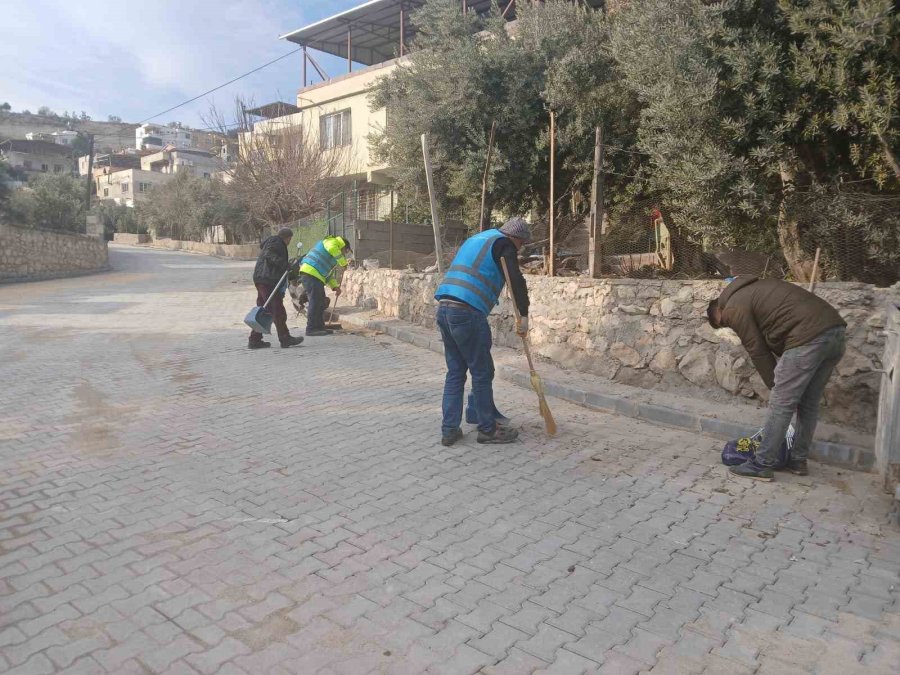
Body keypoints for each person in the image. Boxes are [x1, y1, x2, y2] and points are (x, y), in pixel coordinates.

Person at [707, 275, 847, 481]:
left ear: (718, 311)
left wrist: (775, 384)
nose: (728, 325)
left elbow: (757, 349)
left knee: (782, 403)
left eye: (723, 324)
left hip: (807, 338)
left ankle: (761, 464)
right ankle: (798, 460)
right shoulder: (754, 288)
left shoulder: (732, 308)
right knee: (808, 403)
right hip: (835, 332)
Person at [434, 216, 532, 446]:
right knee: (482, 372)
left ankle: (449, 430)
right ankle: (487, 429)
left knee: (456, 372)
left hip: (445, 309)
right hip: (467, 313)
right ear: (517, 238)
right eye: (522, 244)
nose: (520, 249)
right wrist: (524, 314)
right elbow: (515, 280)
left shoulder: (478, 239)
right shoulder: (504, 244)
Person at [249, 227, 304, 349]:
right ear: (288, 238)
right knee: (277, 310)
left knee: (264, 309)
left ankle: (255, 339)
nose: (289, 242)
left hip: (262, 279)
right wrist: (285, 265)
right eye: (290, 239)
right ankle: (285, 338)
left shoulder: (271, 242)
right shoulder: (276, 242)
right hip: (267, 280)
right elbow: (269, 255)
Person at [299, 235, 352, 337]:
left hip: (316, 276)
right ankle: (311, 329)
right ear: (343, 246)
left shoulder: (332, 256)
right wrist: (343, 262)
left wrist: (335, 287)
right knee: (314, 302)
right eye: (345, 252)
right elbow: (333, 249)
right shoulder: (332, 242)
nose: (344, 255)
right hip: (310, 274)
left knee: (320, 302)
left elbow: (328, 274)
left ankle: (319, 327)